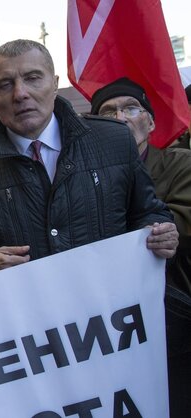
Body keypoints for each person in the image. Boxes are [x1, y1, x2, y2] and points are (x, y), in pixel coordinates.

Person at [0, 39, 177, 284]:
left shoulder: (113, 140)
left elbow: (150, 212)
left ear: (55, 84)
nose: (20, 93)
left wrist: (160, 231)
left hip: (112, 308)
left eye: (33, 78)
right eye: (5, 85)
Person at [89, 77, 191, 416]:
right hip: (108, 327)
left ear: (150, 121)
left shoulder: (180, 165)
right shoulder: (84, 176)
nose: (121, 117)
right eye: (108, 112)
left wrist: (161, 230)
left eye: (130, 108)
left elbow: (182, 222)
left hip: (171, 314)